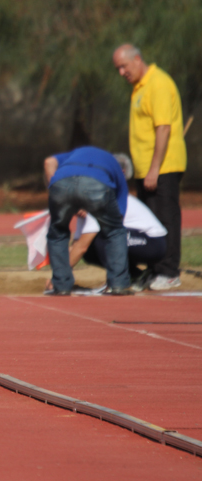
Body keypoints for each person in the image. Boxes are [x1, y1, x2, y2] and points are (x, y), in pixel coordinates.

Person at [113, 44, 186, 290]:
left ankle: (169, 272)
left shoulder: (158, 83)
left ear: (137, 59)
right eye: (118, 68)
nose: (121, 72)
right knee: (149, 223)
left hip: (163, 167)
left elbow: (163, 128)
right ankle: (154, 270)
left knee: (166, 218)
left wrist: (155, 168)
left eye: (124, 66)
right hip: (145, 169)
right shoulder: (139, 88)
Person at [44, 146, 130, 295]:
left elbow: (49, 162)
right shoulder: (116, 169)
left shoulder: (76, 153)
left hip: (61, 182)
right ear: (123, 172)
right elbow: (119, 216)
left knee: (57, 233)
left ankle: (61, 286)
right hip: (96, 185)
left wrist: (58, 191)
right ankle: (118, 285)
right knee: (115, 232)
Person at [48, 193, 167, 293]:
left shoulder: (94, 204)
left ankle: (117, 281)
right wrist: (58, 274)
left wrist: (59, 277)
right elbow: (75, 247)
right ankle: (136, 276)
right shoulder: (83, 212)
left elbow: (81, 247)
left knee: (103, 238)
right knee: (90, 251)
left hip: (154, 243)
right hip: (139, 238)